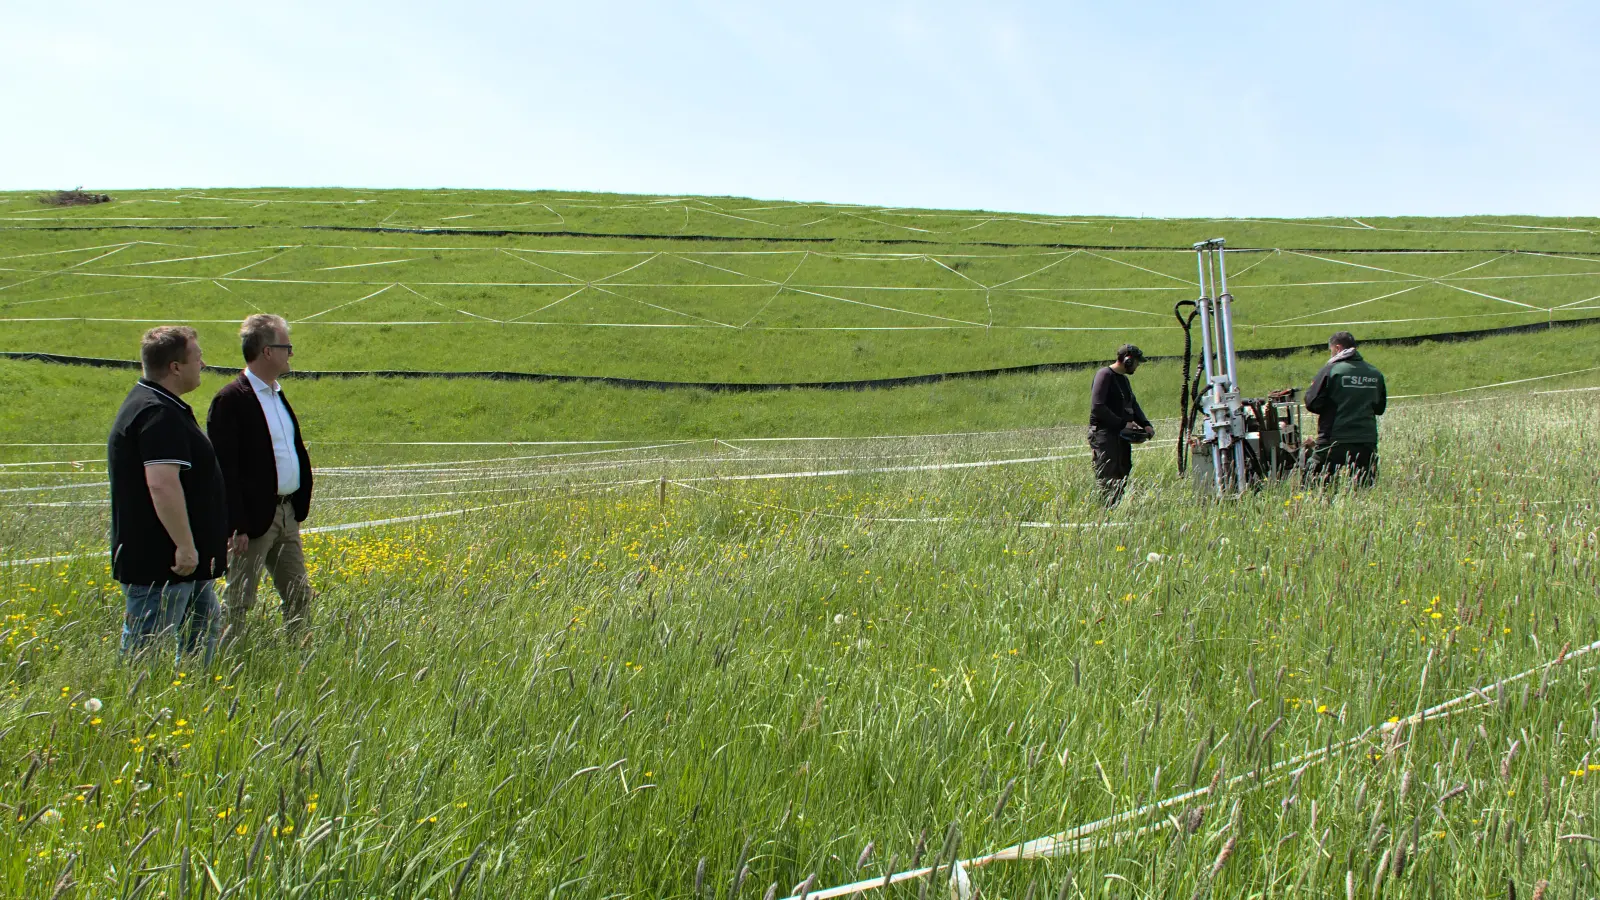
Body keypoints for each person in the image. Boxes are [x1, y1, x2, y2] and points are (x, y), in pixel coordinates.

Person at [107, 326, 228, 664]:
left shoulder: (159, 405)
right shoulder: (158, 413)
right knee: (147, 652)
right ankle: (138, 712)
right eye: (197, 357)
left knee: (201, 629)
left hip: (182, 564)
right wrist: (185, 545)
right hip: (164, 562)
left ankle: (191, 700)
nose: (203, 363)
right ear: (175, 367)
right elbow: (161, 483)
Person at [207, 314, 315, 642]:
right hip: (252, 523)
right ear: (267, 351)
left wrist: (295, 505)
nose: (291, 354)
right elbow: (225, 469)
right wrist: (236, 525)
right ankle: (224, 663)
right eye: (287, 347)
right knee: (239, 601)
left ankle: (300, 659)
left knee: (299, 594)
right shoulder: (231, 400)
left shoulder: (276, 394)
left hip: (286, 514)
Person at [1304, 331, 1387, 486]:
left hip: (1333, 440)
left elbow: (1311, 402)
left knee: (1313, 485)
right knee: (1364, 489)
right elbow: (1379, 408)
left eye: (1331, 350)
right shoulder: (1375, 373)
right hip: (1365, 440)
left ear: (1337, 348)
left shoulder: (1330, 370)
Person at [1088, 344, 1154, 505]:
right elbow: (1098, 407)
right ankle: (1106, 512)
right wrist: (1123, 423)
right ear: (1128, 360)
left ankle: (1115, 508)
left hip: (1120, 435)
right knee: (1108, 477)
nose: (1137, 366)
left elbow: (1132, 404)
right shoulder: (1104, 375)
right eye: (1137, 362)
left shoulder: (1123, 380)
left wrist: (1145, 424)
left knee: (1122, 473)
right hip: (1105, 435)